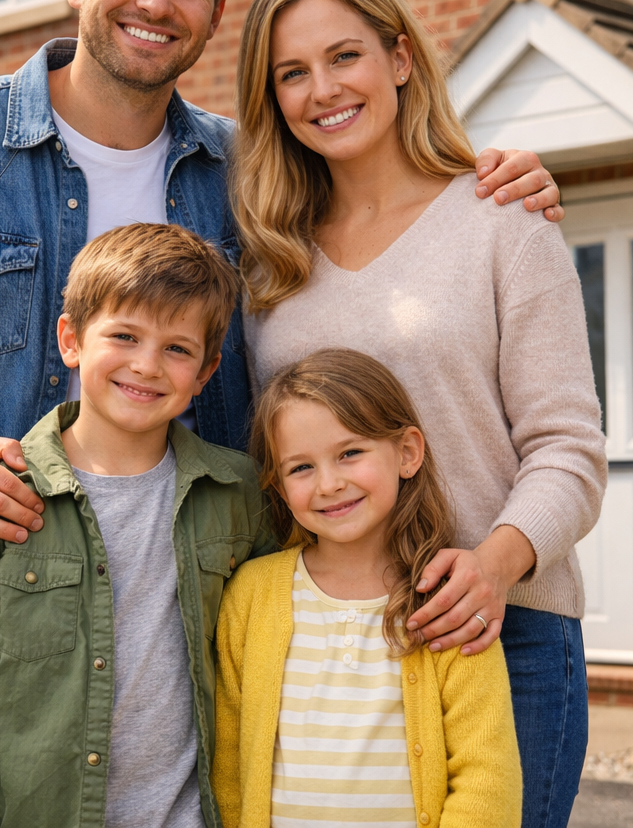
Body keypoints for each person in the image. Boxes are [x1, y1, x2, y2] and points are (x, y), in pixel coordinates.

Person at [0, 0, 561, 827]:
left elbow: (390, 197)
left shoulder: (255, 174)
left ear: (214, 8)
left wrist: (495, 171)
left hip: (190, 649)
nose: (157, 3)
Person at [231, 0, 607, 828]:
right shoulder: (268, 262)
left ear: (399, 59)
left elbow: (569, 451)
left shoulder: (502, 223)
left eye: (345, 56)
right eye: (291, 72)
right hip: (330, 643)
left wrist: (493, 566)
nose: (322, 88)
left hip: (498, 626)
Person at [0, 222, 276, 828]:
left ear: (205, 373)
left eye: (177, 348)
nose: (147, 366)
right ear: (71, 340)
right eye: (124, 336)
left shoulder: (239, 496)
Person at [213, 348, 521, 828]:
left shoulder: (447, 599)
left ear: (406, 452)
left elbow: (487, 777)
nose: (330, 483)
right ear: (276, 483)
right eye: (301, 467)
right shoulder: (250, 595)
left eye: (349, 453)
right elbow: (229, 764)